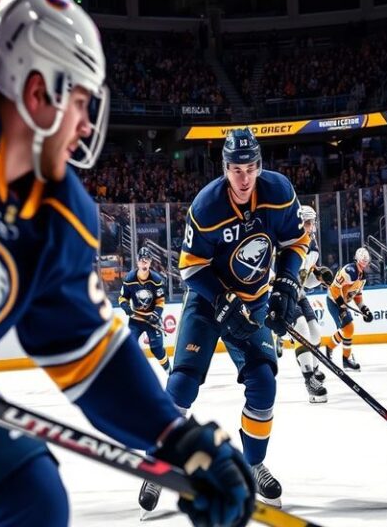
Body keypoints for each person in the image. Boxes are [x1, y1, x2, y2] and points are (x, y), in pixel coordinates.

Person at [0, 0, 254, 527]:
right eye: (83, 102)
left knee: (34, 498)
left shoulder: (62, 214)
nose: (89, 125)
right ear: (40, 92)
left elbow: (89, 353)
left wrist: (176, 437)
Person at [138, 127, 309, 512]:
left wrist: (285, 281)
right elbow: (190, 268)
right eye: (236, 169)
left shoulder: (279, 192)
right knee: (181, 384)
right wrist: (221, 299)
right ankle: (156, 461)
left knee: (264, 383)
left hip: (254, 301)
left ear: (260, 166)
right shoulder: (206, 206)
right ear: (225, 168)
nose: (244, 178)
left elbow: (296, 243)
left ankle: (254, 465)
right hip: (207, 300)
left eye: (250, 169)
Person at [291, 205, 330, 403]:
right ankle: (309, 380)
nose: (312, 226)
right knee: (302, 329)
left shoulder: (311, 246)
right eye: (308, 222)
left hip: (299, 293)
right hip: (282, 294)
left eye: (313, 222)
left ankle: (313, 367)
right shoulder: (288, 241)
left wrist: (320, 278)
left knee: (314, 331)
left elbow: (306, 280)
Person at [118, 246, 170, 374]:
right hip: (136, 320)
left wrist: (156, 315)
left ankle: (170, 372)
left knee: (157, 349)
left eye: (146, 260)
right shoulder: (130, 279)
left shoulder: (156, 280)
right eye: (141, 260)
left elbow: (160, 301)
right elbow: (122, 297)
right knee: (130, 347)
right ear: (137, 261)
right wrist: (126, 308)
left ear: (151, 262)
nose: (144, 263)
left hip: (152, 319)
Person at [324, 247, 374, 371]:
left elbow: (356, 295)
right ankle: (346, 359)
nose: (364, 263)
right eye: (363, 261)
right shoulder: (349, 271)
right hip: (334, 301)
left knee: (346, 330)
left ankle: (330, 348)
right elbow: (335, 288)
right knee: (348, 328)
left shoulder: (362, 277)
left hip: (342, 303)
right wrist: (341, 306)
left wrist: (364, 309)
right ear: (357, 260)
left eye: (366, 261)